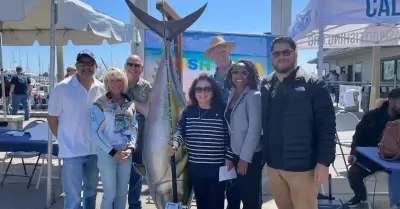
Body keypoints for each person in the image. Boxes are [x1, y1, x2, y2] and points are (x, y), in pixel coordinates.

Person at [261, 37, 336, 209]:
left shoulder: (313, 85)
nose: (281, 56)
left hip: (303, 169)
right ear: (271, 57)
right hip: (274, 166)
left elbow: (327, 126)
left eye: (286, 52)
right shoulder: (265, 85)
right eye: (276, 53)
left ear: (295, 54)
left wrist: (324, 162)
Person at [48, 50, 105, 209]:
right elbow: (52, 118)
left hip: (95, 150)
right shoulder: (62, 88)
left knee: (91, 192)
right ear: (76, 65)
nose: (86, 67)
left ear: (96, 66)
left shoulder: (102, 88)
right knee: (72, 197)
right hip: (72, 151)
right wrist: (63, 139)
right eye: (82, 64)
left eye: (90, 64)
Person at [168, 73, 234, 209]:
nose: (202, 93)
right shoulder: (189, 111)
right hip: (196, 169)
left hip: (217, 169)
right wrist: (174, 143)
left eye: (207, 89)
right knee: (201, 205)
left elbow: (231, 136)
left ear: (213, 91)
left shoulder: (222, 110)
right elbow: (180, 130)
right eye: (199, 89)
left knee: (217, 204)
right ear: (194, 92)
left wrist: (229, 157)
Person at [91, 68, 138, 209]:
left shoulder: (130, 103)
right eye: (112, 80)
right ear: (106, 83)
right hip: (107, 153)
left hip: (125, 153)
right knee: (110, 194)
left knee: (122, 193)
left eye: (119, 79)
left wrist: (130, 148)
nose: (115, 83)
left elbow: (134, 128)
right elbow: (95, 132)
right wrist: (112, 152)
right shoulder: (99, 104)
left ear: (124, 82)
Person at [346, 89, 400, 207]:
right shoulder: (372, 116)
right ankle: (361, 199)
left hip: (396, 159)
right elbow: (358, 136)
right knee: (354, 173)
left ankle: (397, 203)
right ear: (391, 101)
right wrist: (353, 153)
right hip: (371, 158)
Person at [224, 60, 263, 209]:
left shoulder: (254, 96)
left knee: (250, 201)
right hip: (233, 155)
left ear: (250, 75)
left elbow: (255, 129)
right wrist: (229, 155)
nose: (238, 75)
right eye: (235, 72)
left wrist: (244, 159)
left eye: (243, 72)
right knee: (232, 198)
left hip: (249, 158)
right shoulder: (231, 94)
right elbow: (230, 128)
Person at [124, 54, 152, 209]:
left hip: (139, 139)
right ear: (125, 66)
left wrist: (133, 104)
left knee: (135, 177)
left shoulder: (147, 86)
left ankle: (135, 206)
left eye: (137, 65)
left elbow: (151, 112)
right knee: (117, 177)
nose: (133, 68)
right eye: (130, 64)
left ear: (142, 68)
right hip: (117, 140)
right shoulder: (116, 81)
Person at [204, 36, 236, 103]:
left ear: (229, 52)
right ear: (212, 57)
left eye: (223, 51)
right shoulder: (210, 79)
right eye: (216, 53)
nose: (221, 55)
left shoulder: (243, 73)